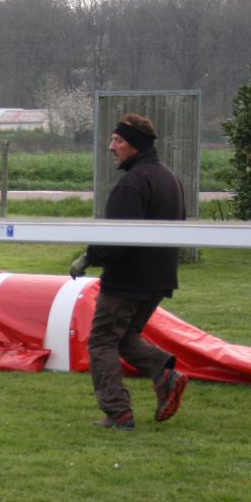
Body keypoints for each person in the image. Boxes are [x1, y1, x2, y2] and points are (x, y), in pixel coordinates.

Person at [70, 112, 188, 430]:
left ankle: (117, 412)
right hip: (159, 278)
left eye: (118, 140)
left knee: (102, 341)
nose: (111, 147)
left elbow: (115, 241)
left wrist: (87, 257)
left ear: (134, 145)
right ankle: (164, 372)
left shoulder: (132, 184)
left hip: (128, 280)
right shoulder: (169, 178)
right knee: (125, 338)